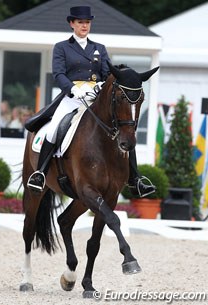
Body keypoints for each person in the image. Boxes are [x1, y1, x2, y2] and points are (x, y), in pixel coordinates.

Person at [27, 6, 155, 197]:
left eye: (87, 22)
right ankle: (40, 174)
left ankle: (135, 179)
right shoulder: (62, 47)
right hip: (72, 97)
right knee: (54, 128)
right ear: (72, 24)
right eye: (80, 22)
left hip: (95, 96)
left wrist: (101, 85)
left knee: (124, 130)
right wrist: (73, 89)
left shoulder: (99, 48)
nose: (84, 26)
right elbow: (59, 73)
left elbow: (107, 73)